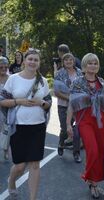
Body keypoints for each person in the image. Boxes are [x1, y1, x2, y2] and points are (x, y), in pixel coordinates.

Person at [66, 53, 104, 199]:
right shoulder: (78, 82)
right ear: (84, 66)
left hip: (99, 121)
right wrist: (68, 125)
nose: (93, 66)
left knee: (99, 153)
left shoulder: (102, 82)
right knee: (92, 150)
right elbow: (72, 105)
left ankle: (94, 182)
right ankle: (90, 179)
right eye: (90, 63)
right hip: (85, 121)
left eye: (95, 63)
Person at [0, 49, 52, 200]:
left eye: (36, 60)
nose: (33, 62)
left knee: (35, 164)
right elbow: (2, 101)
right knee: (20, 166)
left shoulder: (42, 80)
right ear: (24, 61)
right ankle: (11, 180)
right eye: (30, 59)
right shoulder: (13, 79)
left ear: (39, 63)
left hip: (38, 126)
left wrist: (41, 102)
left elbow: (48, 102)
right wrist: (19, 101)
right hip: (18, 126)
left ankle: (33, 198)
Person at [53, 53, 82, 163]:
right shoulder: (59, 74)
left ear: (73, 61)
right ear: (63, 62)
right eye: (66, 60)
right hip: (63, 106)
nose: (68, 62)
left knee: (77, 130)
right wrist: (70, 98)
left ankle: (76, 153)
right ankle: (61, 143)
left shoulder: (80, 73)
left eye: (70, 60)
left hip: (78, 106)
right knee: (65, 128)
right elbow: (56, 92)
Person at [0, 56, 10, 160]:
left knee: (6, 131)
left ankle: (6, 150)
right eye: (1, 67)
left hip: (7, 109)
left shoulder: (11, 78)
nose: (3, 68)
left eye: (5, 67)